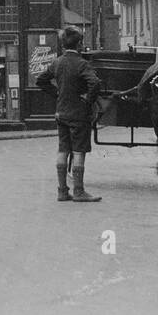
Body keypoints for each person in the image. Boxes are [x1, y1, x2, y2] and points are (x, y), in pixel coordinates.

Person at [36, 26, 103, 202]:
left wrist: (57, 94)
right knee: (79, 151)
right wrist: (88, 100)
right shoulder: (82, 64)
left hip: (61, 112)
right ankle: (79, 191)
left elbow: (41, 80)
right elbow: (95, 83)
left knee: (63, 149)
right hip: (79, 114)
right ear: (80, 43)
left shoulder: (57, 62)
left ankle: (62, 191)